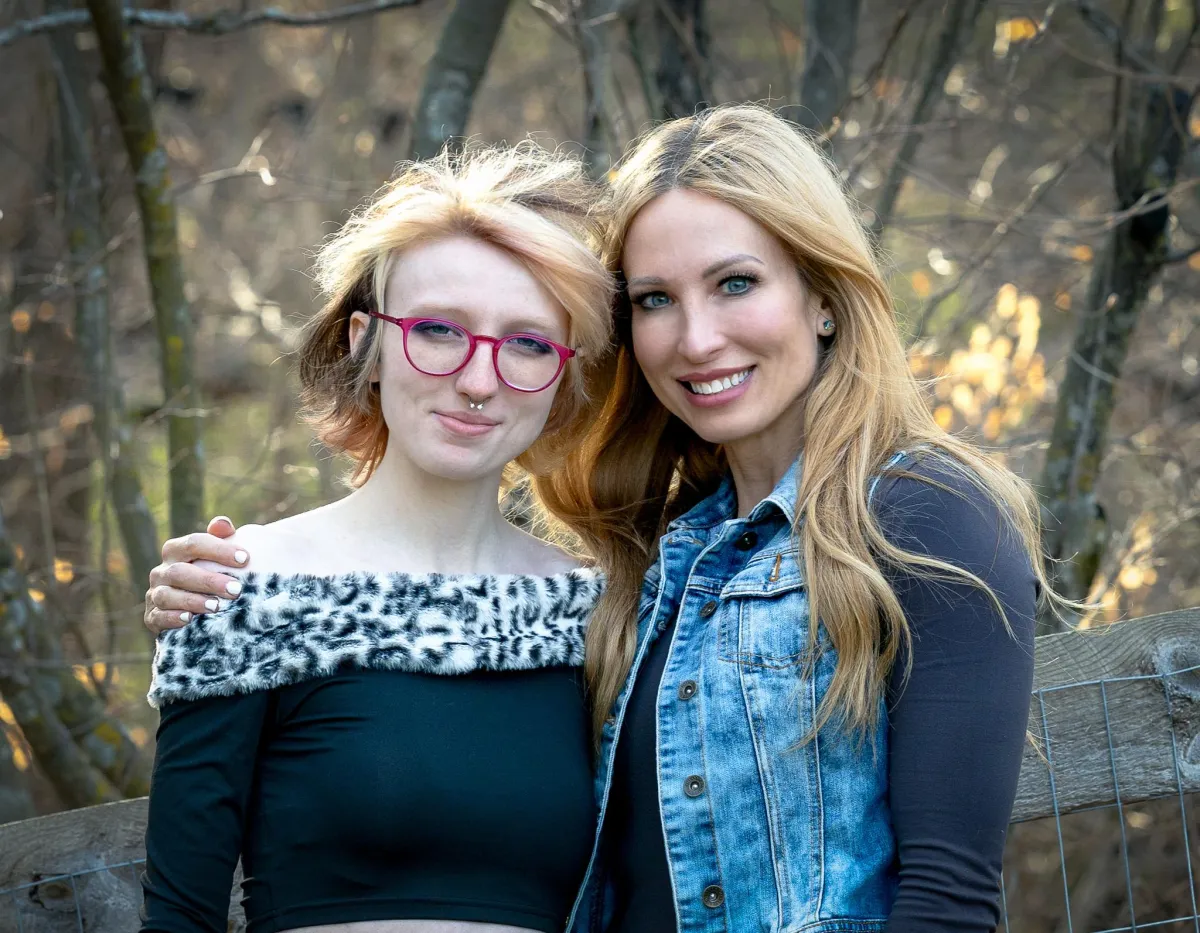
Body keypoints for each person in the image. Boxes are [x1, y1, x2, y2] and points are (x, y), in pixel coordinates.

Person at [146, 105, 1046, 933]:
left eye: (736, 282)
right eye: (655, 299)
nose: (696, 338)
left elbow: (950, 897)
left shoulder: (920, 514)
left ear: (825, 296)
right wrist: (217, 600)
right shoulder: (649, 578)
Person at [138, 142, 615, 933]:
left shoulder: (597, 617)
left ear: (563, 374)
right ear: (367, 341)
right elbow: (180, 916)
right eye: (439, 330)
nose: (479, 379)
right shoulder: (248, 589)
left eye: (529, 343)